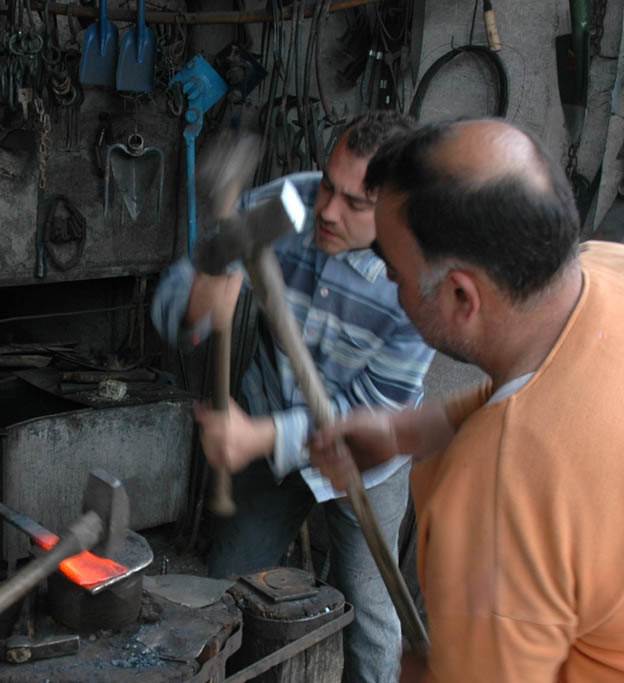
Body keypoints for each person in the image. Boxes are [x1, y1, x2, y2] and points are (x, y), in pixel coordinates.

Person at [309, 118, 624, 681]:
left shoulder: (498, 503)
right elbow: (538, 394)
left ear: (460, 295)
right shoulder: (603, 269)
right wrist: (402, 432)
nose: (391, 285)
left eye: (394, 272)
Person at [151, 111, 435, 683]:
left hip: (364, 459)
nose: (327, 209)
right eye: (328, 184)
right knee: (227, 597)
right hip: (269, 416)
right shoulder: (285, 207)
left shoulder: (420, 284)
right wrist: (200, 297)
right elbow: (179, 292)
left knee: (371, 620)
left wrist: (262, 436)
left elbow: (373, 415)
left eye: (355, 203)